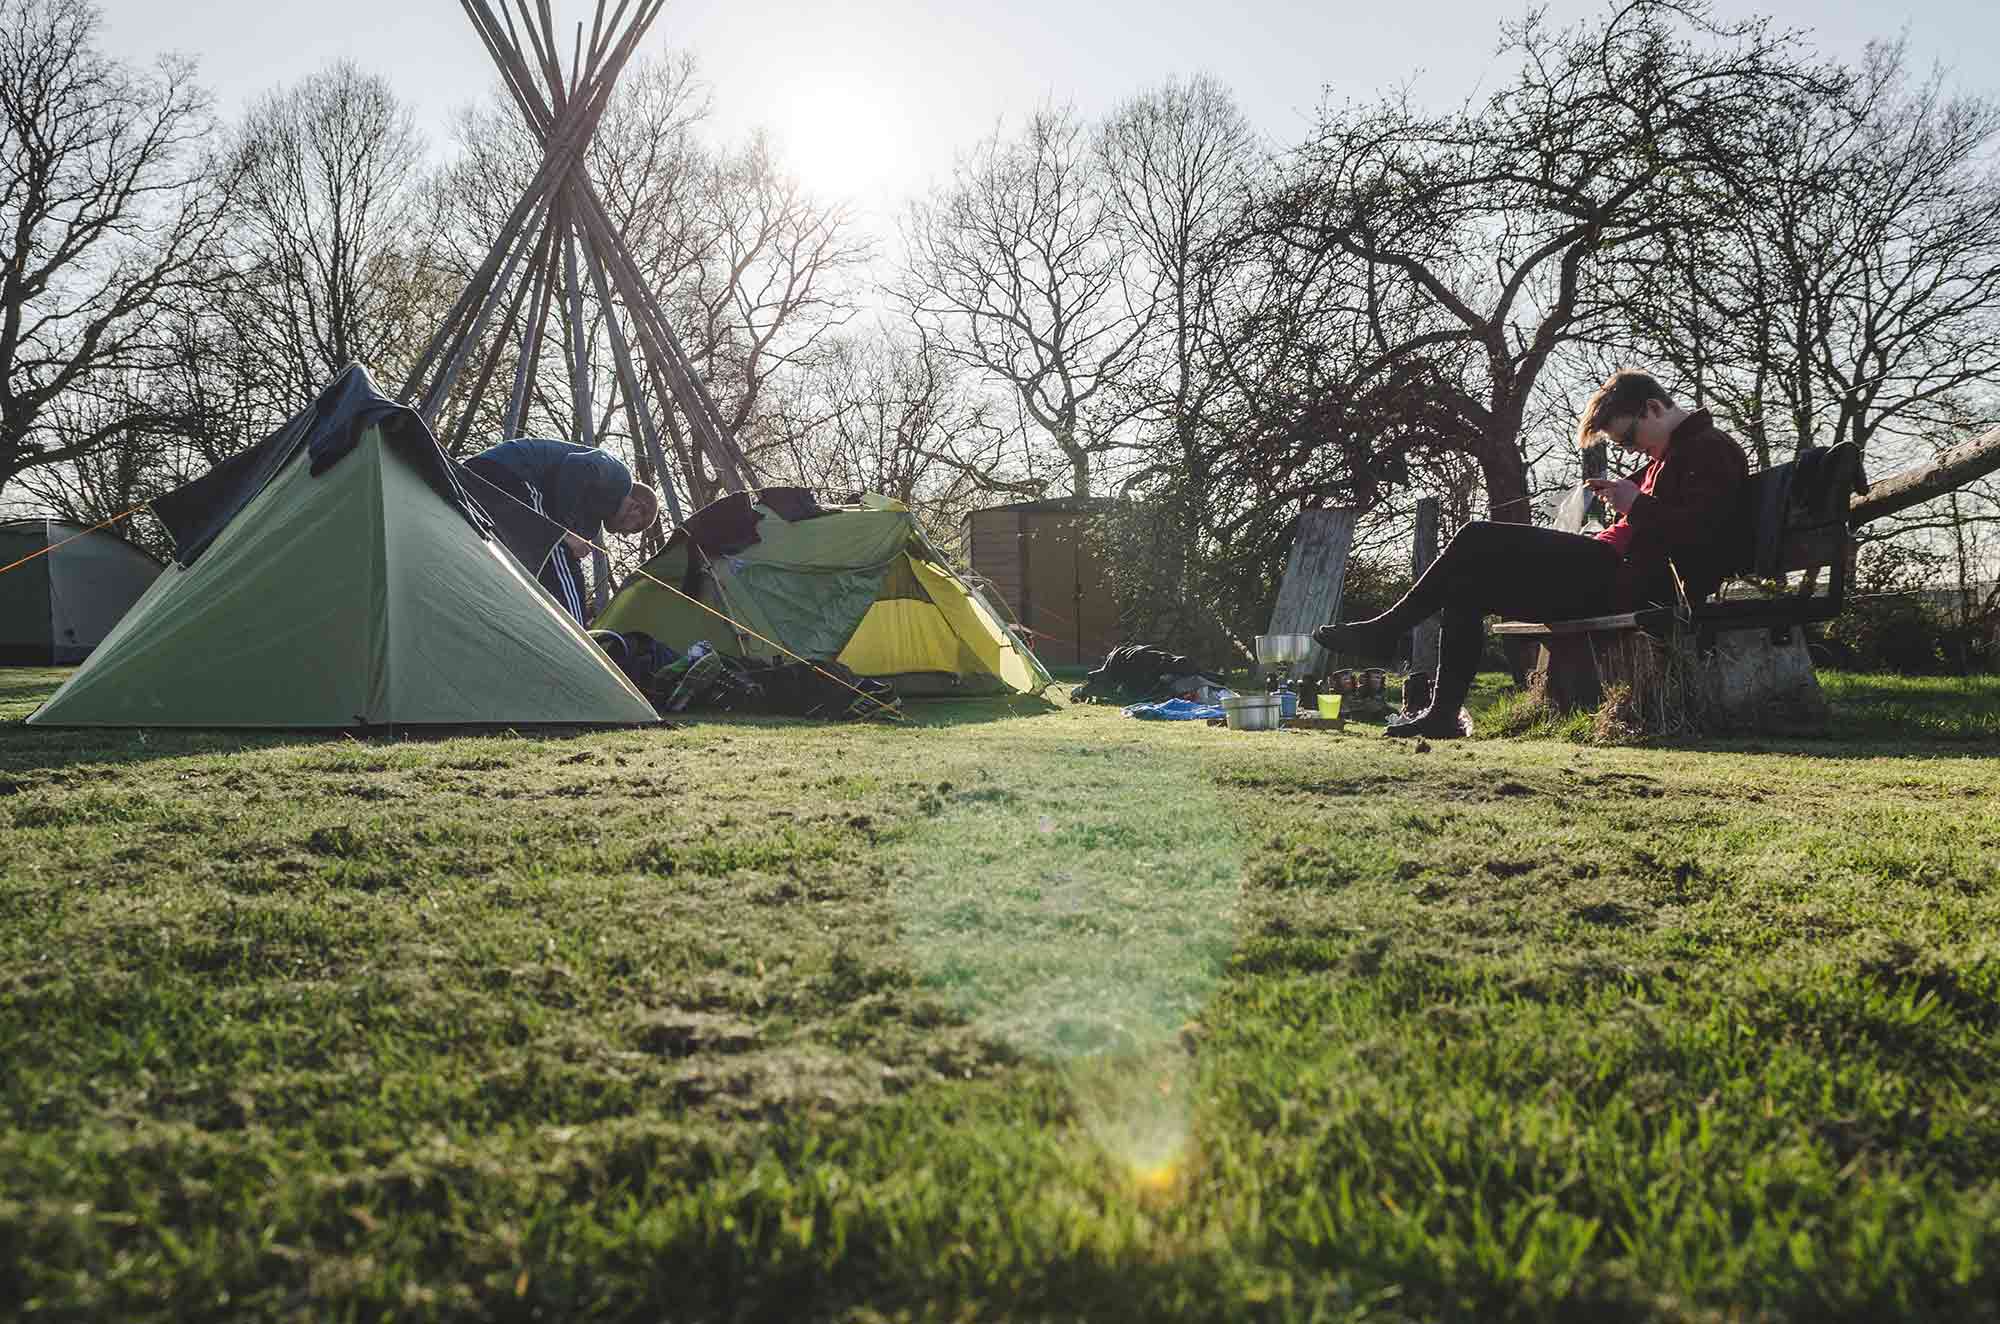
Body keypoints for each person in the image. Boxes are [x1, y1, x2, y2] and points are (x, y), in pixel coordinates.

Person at [1313, 370, 1748, 738]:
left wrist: (1635, 503)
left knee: (1476, 536)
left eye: (1629, 437)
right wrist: (1621, 507)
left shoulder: (1712, 449)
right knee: (1468, 586)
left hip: (1635, 585)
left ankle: (1387, 630)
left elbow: (1702, 537)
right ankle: (1443, 714)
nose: (1630, 450)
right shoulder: (1664, 457)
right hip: (1606, 574)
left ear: (1654, 409)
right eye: (1622, 445)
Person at [465, 438, 660, 624]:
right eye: (635, 528)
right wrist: (565, 533)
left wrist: (570, 537)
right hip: (508, 472)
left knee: (538, 561)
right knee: (557, 552)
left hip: (477, 477)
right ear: (637, 507)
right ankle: (576, 635)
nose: (625, 534)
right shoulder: (619, 478)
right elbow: (576, 466)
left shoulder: (591, 522)